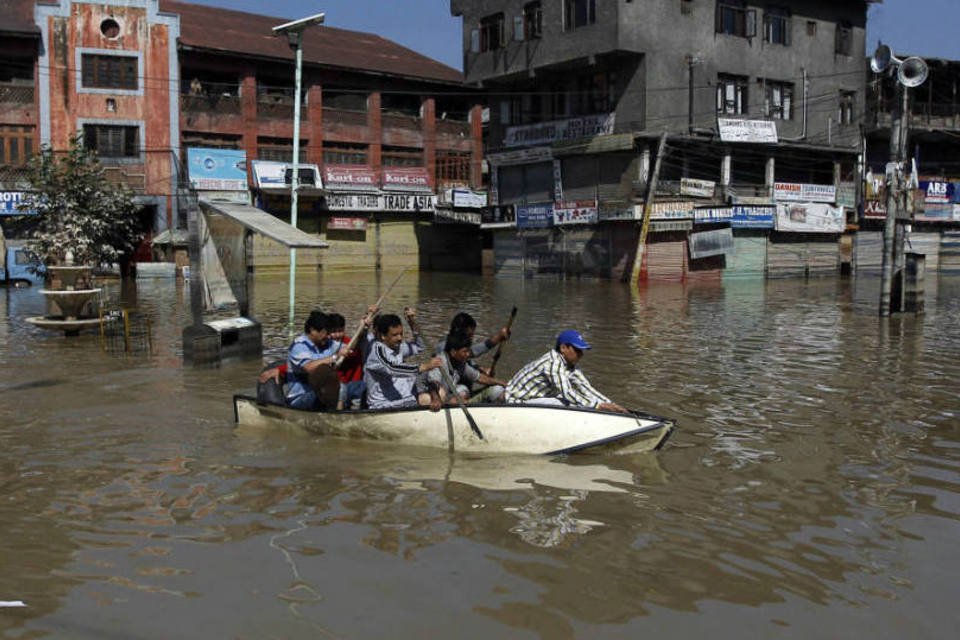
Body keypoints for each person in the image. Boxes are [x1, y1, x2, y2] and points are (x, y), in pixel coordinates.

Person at [504, 329, 628, 413]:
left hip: (532, 401)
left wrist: (612, 405)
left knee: (575, 400)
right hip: (515, 402)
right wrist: (597, 406)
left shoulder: (569, 365)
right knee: (563, 401)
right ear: (563, 348)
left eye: (581, 351)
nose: (581, 355)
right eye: (577, 350)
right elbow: (567, 393)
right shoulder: (553, 363)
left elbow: (586, 388)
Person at [364, 308, 442, 410]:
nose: (400, 338)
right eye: (395, 335)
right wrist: (424, 366)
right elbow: (392, 369)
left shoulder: (398, 347)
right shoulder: (376, 351)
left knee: (440, 392)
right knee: (425, 392)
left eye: (401, 334)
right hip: (382, 404)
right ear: (383, 336)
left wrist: (412, 324)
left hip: (401, 398)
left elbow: (420, 347)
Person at [416, 331, 508, 411]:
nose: (467, 354)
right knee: (443, 393)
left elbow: (479, 377)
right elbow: (433, 383)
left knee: (497, 389)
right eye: (465, 351)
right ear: (453, 352)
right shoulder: (440, 361)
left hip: (447, 398)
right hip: (431, 397)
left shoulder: (461, 364)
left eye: (468, 351)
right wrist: (436, 399)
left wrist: (502, 382)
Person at [434, 312, 511, 401]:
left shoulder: (462, 362)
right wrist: (497, 338)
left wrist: (482, 370)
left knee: (497, 390)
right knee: (462, 389)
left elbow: (473, 372)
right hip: (452, 395)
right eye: (469, 335)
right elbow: (472, 352)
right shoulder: (445, 346)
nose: (471, 339)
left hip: (465, 395)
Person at [285, 310, 347, 410]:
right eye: (325, 333)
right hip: (299, 397)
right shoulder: (299, 346)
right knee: (339, 389)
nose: (328, 336)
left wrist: (364, 328)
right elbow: (309, 367)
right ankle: (337, 416)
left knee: (358, 387)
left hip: (320, 392)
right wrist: (335, 357)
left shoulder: (327, 343)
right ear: (313, 330)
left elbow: (348, 347)